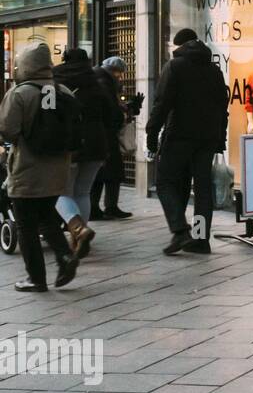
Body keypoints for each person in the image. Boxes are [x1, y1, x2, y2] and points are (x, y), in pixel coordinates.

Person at [0, 42, 78, 291]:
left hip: (27, 167)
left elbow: (7, 130)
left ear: (24, 64)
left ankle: (36, 278)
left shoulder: (20, 93)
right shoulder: (64, 90)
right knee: (47, 217)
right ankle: (65, 255)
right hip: (58, 168)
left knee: (25, 224)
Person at [146, 28, 228, 255]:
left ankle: (180, 230)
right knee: (202, 190)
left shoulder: (174, 67)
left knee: (164, 182)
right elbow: (223, 108)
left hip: (180, 136)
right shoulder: (214, 70)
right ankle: (201, 239)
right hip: (207, 139)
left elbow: (161, 104)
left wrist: (151, 134)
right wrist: (220, 138)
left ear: (179, 46)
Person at [53, 48, 116, 260]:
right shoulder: (96, 80)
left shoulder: (54, 80)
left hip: (67, 143)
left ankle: (78, 229)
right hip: (96, 143)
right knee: (83, 192)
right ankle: (79, 238)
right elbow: (112, 115)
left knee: (61, 191)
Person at [89, 56, 138, 220]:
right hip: (106, 134)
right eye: (119, 73)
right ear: (114, 71)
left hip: (98, 133)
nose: (120, 77)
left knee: (100, 173)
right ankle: (107, 207)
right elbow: (111, 110)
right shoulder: (105, 83)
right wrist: (124, 114)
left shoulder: (97, 78)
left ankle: (97, 208)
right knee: (110, 172)